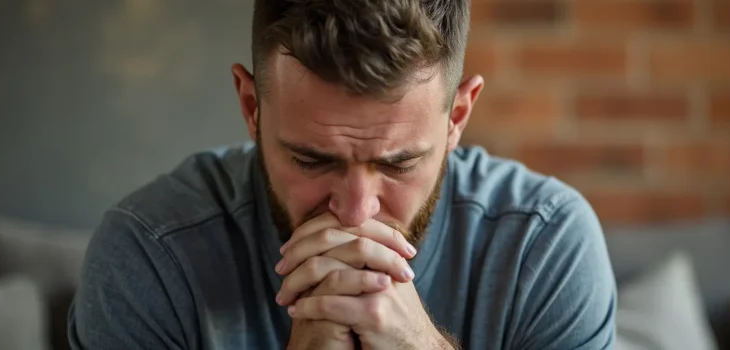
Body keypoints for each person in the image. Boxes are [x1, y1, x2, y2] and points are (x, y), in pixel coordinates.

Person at [68, 0, 617, 349]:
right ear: (251, 105)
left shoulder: (545, 242)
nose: (357, 211)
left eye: (398, 163)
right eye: (312, 160)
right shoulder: (148, 253)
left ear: (457, 118)